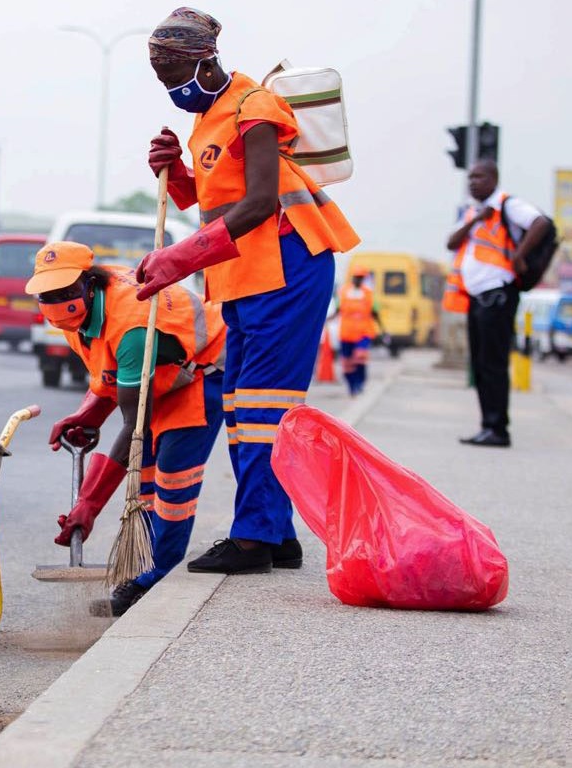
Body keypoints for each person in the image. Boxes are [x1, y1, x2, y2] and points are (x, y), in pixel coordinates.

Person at [138, 7, 360, 574]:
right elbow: (219, 200)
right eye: (163, 82)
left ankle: (254, 537)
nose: (172, 90)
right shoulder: (208, 114)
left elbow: (261, 201)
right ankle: (277, 532)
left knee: (263, 406)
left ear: (207, 61)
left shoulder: (253, 106)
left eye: (176, 76)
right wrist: (178, 174)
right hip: (243, 273)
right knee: (242, 406)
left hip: (287, 263)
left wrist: (178, 257)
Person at [28, 241, 226, 616]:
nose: (55, 301)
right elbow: (112, 373)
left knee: (172, 479)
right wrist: (87, 414)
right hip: (162, 374)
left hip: (203, 369)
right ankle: (143, 571)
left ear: (89, 283)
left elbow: (134, 425)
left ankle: (157, 578)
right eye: (46, 294)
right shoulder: (74, 319)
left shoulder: (131, 322)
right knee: (146, 478)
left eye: (65, 291)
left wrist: (89, 504)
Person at [444, 159, 551, 447]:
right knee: (479, 363)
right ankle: (487, 425)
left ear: (493, 179)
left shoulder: (508, 205)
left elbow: (541, 222)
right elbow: (451, 243)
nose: (472, 182)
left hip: (499, 294)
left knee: (493, 363)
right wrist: (477, 220)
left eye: (478, 177)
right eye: (470, 178)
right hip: (477, 297)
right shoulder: (474, 212)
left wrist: (519, 256)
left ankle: (498, 428)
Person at [335, 265, 383, 397]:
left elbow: (375, 313)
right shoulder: (343, 292)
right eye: (356, 277)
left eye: (361, 278)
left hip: (363, 332)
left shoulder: (368, 294)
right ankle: (352, 386)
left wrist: (383, 330)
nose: (358, 280)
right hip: (346, 333)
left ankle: (360, 383)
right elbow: (337, 310)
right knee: (347, 363)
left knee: (359, 358)